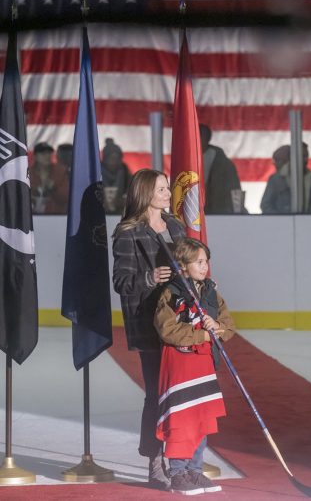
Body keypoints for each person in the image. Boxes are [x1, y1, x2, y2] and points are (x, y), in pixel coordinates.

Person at [112, 169, 186, 490]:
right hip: (149, 324)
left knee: (180, 393)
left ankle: (182, 462)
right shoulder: (128, 232)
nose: (168, 193)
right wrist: (150, 278)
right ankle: (156, 464)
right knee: (157, 394)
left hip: (180, 321)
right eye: (161, 188)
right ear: (144, 193)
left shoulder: (175, 226)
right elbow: (121, 282)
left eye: (168, 187)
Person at [154, 237, 235, 495]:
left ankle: (195, 471)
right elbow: (166, 328)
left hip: (203, 364)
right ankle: (177, 472)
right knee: (182, 418)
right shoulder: (172, 292)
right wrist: (200, 334)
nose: (205, 266)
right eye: (199, 262)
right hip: (181, 365)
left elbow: (229, 327)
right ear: (183, 265)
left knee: (201, 417)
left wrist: (217, 327)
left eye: (206, 261)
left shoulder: (211, 292)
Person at [199, 124, 245, 214]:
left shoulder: (224, 164)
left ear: (207, 138)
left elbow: (235, 192)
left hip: (219, 214)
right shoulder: (185, 160)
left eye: (198, 135)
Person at [261, 142, 311, 213]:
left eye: (306, 156)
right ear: (292, 157)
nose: (305, 160)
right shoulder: (276, 179)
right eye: (302, 156)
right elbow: (266, 205)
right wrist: (281, 220)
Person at [30, 141, 69, 214]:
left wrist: (53, 187)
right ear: (35, 156)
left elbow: (66, 197)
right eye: (43, 153)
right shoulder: (28, 173)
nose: (47, 156)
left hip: (55, 216)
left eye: (49, 153)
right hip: (31, 217)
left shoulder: (60, 172)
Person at [101, 138, 133, 214]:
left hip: (120, 215)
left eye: (117, 158)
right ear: (105, 159)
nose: (114, 161)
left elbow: (134, 197)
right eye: (111, 158)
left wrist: (122, 201)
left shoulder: (125, 174)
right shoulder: (96, 174)